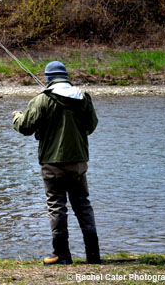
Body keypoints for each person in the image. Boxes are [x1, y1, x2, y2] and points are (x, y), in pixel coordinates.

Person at [11, 61, 101, 265]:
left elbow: (25, 127)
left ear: (48, 79)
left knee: (57, 206)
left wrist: (16, 117)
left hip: (52, 162)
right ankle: (93, 255)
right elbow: (92, 125)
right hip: (78, 161)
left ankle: (62, 255)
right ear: (66, 77)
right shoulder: (83, 97)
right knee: (83, 205)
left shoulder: (41, 100)